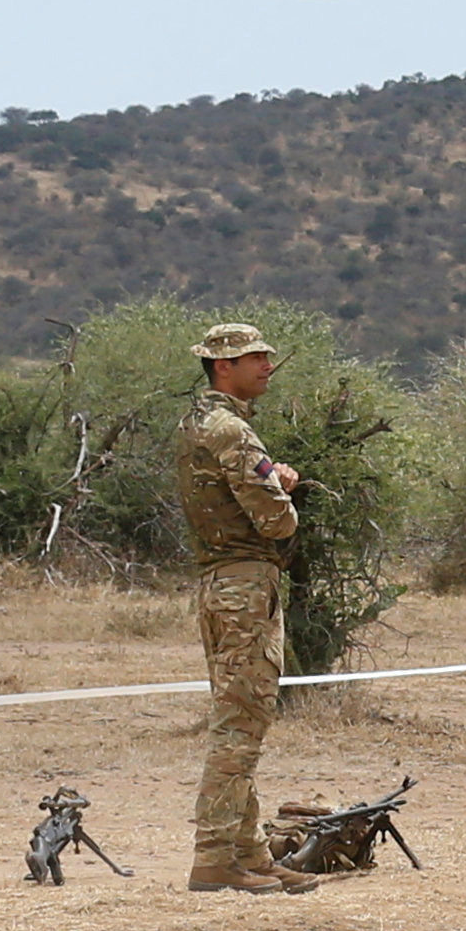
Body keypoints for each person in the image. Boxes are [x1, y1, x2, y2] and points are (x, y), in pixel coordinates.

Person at [181, 323, 315, 895]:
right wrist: (284, 486)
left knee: (241, 719)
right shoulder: (231, 431)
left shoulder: (195, 423)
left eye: (264, 355)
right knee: (240, 727)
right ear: (221, 367)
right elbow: (277, 521)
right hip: (245, 587)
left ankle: (249, 852)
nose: (266, 365)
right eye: (252, 358)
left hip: (219, 584)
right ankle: (214, 857)